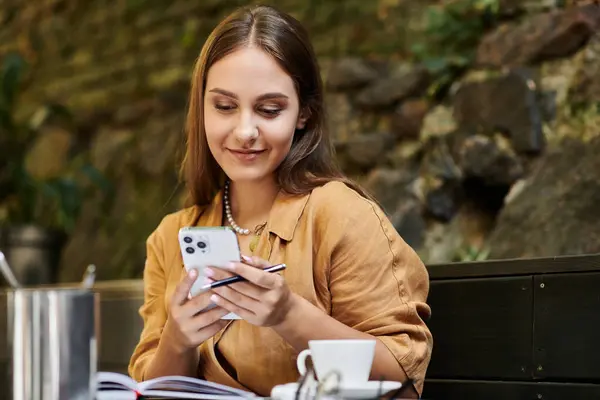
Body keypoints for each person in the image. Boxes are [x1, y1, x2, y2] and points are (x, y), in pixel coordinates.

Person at [128, 4, 433, 398]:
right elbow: (150, 392)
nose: (244, 131)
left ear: (304, 114)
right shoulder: (171, 237)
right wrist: (178, 338)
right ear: (200, 108)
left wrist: (289, 315)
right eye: (224, 106)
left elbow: (402, 372)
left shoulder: (339, 214)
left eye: (269, 110)